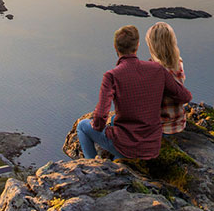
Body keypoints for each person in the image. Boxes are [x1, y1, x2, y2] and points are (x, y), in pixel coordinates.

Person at [77, 25, 193, 160]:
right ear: (137, 46)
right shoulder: (157, 69)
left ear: (115, 47)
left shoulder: (111, 76)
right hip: (152, 147)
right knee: (115, 121)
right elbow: (185, 96)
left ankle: (91, 165)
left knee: (82, 126)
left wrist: (97, 127)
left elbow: (101, 115)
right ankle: (118, 160)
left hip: (128, 147)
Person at [147, 21, 187, 135]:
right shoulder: (179, 62)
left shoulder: (152, 70)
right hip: (179, 123)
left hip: (160, 127)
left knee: (115, 120)